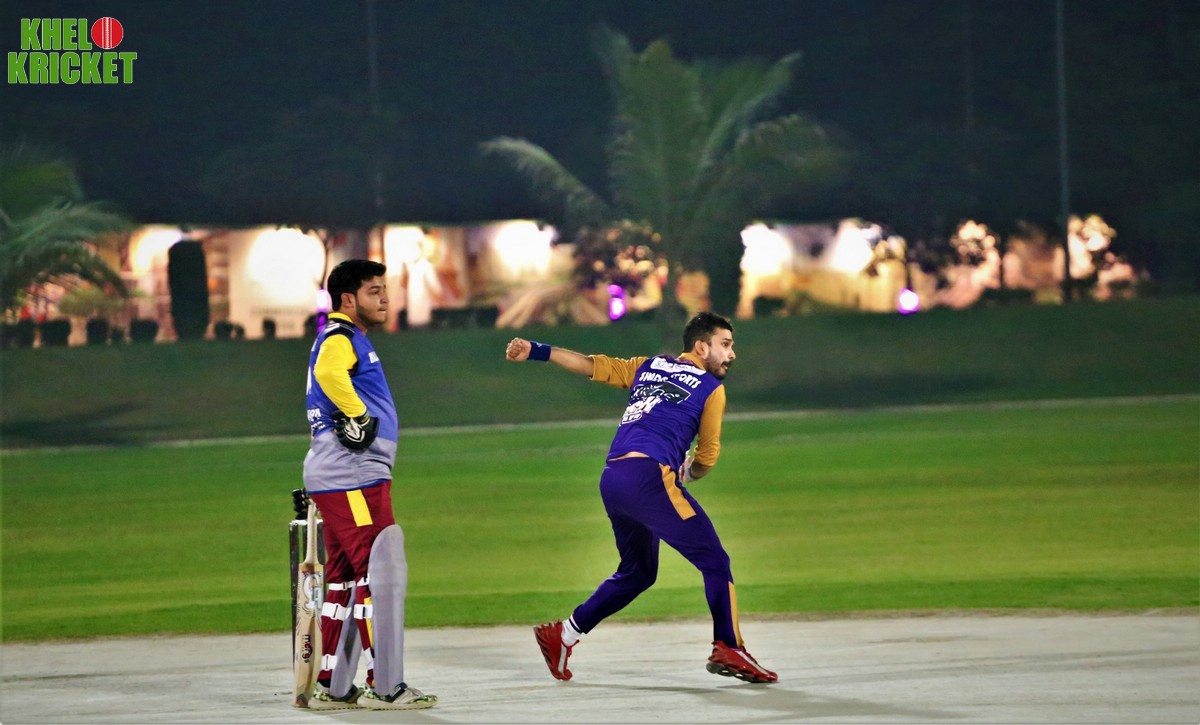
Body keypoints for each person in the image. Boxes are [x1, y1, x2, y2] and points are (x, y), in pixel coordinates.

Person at [504, 311, 778, 684]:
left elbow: (589, 365)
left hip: (614, 477)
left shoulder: (648, 367)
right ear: (701, 347)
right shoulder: (711, 388)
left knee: (638, 572)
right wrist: (688, 473)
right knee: (715, 560)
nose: (731, 354)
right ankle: (729, 646)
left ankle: (563, 634)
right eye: (725, 345)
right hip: (649, 478)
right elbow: (708, 456)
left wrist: (536, 350)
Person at [302, 259, 438, 711]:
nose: (384, 298)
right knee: (383, 567)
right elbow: (329, 374)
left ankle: (334, 685)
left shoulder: (344, 336)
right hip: (354, 473)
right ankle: (388, 686)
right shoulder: (341, 336)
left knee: (345, 580)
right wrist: (359, 415)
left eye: (384, 290)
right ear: (348, 299)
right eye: (374, 291)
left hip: (339, 472)